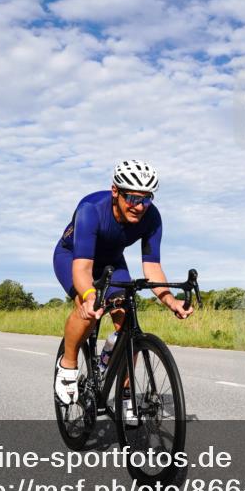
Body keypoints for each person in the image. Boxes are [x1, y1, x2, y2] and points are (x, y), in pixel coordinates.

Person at [53, 160, 193, 405]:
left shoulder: (152, 218)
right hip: (73, 257)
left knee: (126, 319)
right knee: (89, 311)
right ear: (115, 191)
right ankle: (68, 364)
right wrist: (88, 296)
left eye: (146, 199)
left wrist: (170, 301)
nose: (139, 207)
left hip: (112, 261)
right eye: (132, 198)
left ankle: (125, 392)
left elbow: (152, 267)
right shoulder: (91, 209)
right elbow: (83, 267)